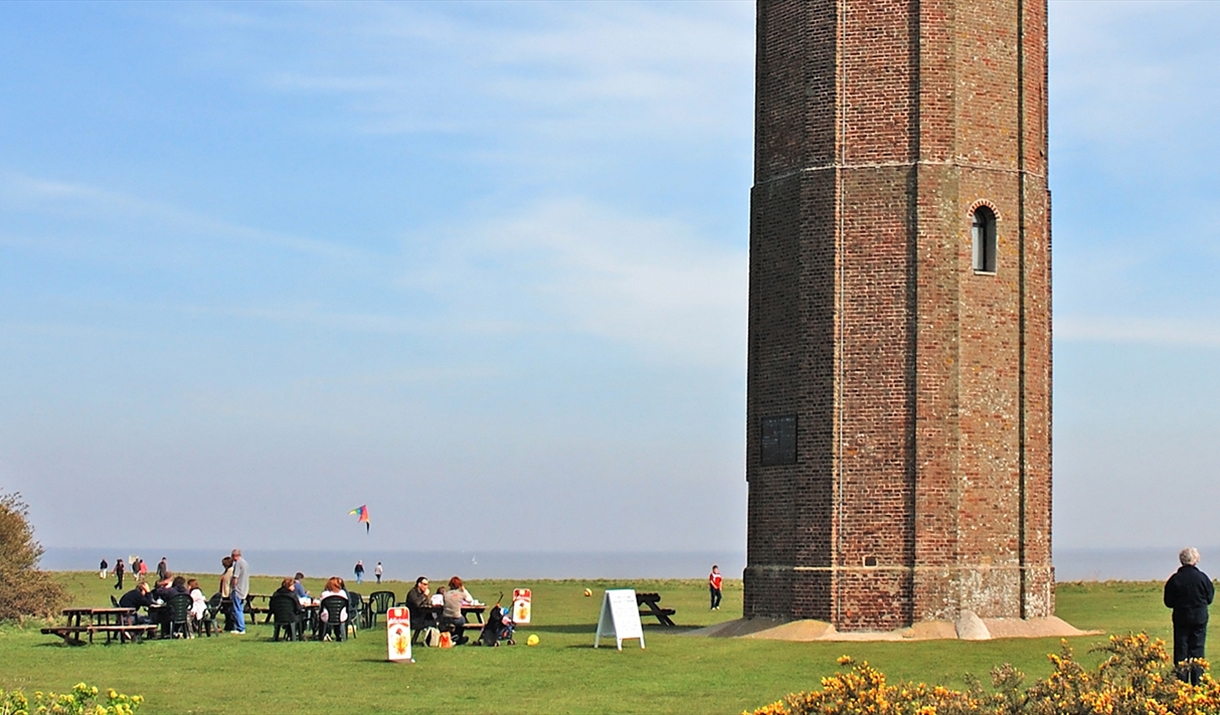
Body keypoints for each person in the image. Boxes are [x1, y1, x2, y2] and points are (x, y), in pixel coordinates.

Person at [1165, 547, 1215, 684]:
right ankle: (1197, 682)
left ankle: (1181, 682)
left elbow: (1168, 602)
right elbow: (1210, 598)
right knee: (1197, 649)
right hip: (1199, 618)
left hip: (1181, 618)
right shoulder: (1203, 578)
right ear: (1196, 560)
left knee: (1181, 649)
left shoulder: (1175, 579)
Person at [441, 576, 469, 645]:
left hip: (445, 618)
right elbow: (469, 600)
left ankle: (453, 637)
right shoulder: (461, 593)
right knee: (463, 619)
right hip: (456, 618)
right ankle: (459, 637)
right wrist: (464, 589)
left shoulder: (445, 594)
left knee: (457, 620)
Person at [230, 548, 250, 635]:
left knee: (237, 609)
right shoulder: (245, 563)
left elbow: (235, 577)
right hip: (244, 589)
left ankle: (240, 628)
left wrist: (233, 587)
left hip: (238, 590)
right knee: (240, 608)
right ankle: (239, 627)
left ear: (234, 556)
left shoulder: (238, 563)